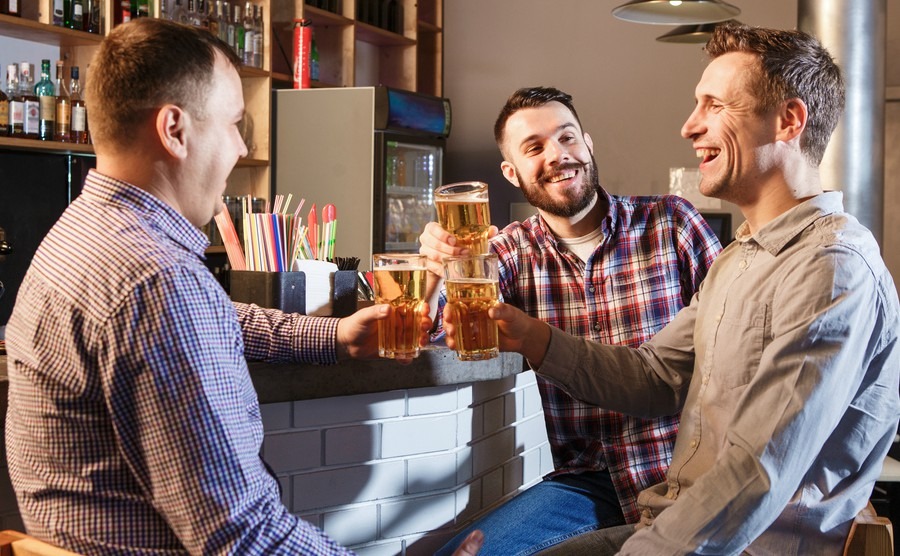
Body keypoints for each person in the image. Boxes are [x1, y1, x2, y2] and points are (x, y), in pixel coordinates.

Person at [4, 18, 483, 556]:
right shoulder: (156, 282)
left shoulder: (83, 233)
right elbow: (242, 537)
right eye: (234, 123)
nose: (239, 148)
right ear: (174, 130)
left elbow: (218, 318)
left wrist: (336, 337)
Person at [443, 23, 900, 555]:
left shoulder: (830, 267)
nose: (689, 126)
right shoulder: (741, 257)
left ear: (789, 120)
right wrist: (530, 336)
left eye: (714, 106)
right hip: (669, 516)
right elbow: (656, 377)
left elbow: (759, 470)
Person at [423, 86, 722, 555]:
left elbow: (738, 339)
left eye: (566, 138)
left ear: (587, 142)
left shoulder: (672, 223)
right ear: (511, 172)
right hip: (589, 483)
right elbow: (453, 340)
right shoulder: (508, 252)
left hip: (690, 469)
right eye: (534, 148)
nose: (558, 156)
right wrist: (439, 271)